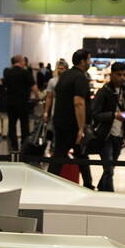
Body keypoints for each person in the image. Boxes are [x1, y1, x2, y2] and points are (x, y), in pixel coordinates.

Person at [47, 49, 93, 188]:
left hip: (60, 122)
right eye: (89, 59)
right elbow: (78, 102)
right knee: (80, 154)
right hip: (72, 125)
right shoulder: (80, 78)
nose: (90, 62)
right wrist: (81, 127)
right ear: (82, 61)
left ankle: (49, 181)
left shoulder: (65, 75)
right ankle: (88, 184)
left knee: (61, 154)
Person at [91, 62, 125, 192]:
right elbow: (95, 115)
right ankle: (109, 194)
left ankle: (101, 188)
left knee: (111, 167)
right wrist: (113, 115)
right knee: (108, 167)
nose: (121, 77)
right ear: (112, 75)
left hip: (119, 135)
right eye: (118, 74)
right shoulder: (104, 92)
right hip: (106, 135)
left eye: (123, 74)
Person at [2, 54, 37, 152]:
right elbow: (34, 88)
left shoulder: (7, 72)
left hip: (10, 103)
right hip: (22, 103)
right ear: (21, 61)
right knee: (24, 125)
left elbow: (4, 85)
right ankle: (24, 146)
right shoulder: (25, 73)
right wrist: (37, 97)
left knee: (11, 125)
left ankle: (13, 146)